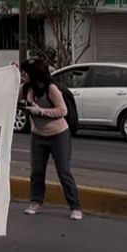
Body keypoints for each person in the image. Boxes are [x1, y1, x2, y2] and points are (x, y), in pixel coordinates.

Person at [20, 58, 82, 221]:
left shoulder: (51, 89)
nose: (23, 75)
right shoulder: (26, 88)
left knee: (63, 172)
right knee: (37, 171)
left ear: (34, 74)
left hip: (58, 135)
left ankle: (75, 206)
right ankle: (36, 201)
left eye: (26, 72)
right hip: (37, 135)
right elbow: (11, 94)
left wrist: (40, 111)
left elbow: (63, 111)